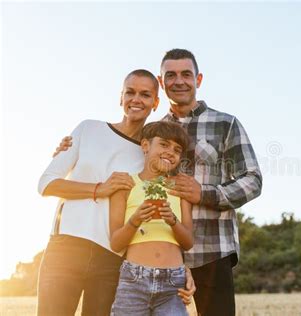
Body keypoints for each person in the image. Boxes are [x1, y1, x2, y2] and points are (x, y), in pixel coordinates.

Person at [56, 49, 263, 316]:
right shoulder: (152, 131)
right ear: (161, 82)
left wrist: (205, 194)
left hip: (213, 250)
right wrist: (67, 149)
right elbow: (114, 155)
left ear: (198, 79)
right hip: (158, 260)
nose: (179, 81)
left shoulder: (225, 123)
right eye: (171, 75)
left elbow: (253, 180)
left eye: (186, 74)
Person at [37, 69, 195, 316]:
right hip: (66, 247)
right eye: (130, 92)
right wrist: (100, 189)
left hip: (112, 259)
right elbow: (46, 184)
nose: (136, 99)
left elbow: (166, 219)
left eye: (145, 95)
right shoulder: (87, 129)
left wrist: (179, 269)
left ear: (155, 103)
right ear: (120, 97)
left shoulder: (150, 152)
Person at [109, 121, 193, 315]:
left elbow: (188, 242)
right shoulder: (126, 185)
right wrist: (135, 220)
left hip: (174, 284)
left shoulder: (180, 189)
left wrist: (173, 221)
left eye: (177, 149)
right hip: (133, 281)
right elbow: (116, 243)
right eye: (164, 144)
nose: (171, 152)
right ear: (145, 146)